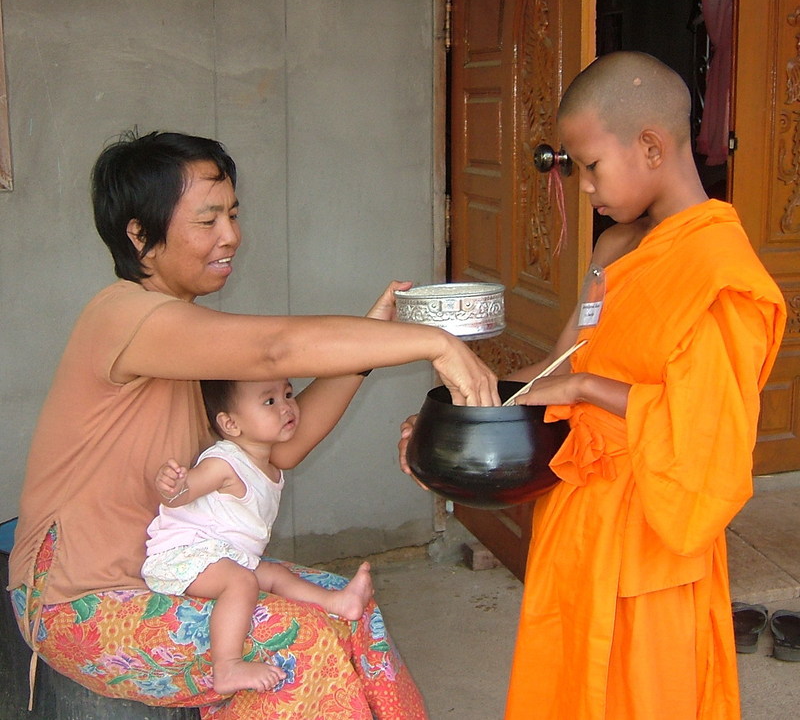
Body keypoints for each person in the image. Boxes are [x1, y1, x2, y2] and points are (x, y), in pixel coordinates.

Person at [8, 129, 500, 720]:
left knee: (350, 609)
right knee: (297, 642)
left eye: (233, 215)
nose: (231, 236)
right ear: (140, 234)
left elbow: (282, 444)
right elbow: (274, 350)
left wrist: (367, 346)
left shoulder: (189, 338)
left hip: (175, 574)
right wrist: (433, 343)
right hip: (81, 599)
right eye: (208, 219)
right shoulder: (124, 316)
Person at [400, 52, 786, 719]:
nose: (582, 187)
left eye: (590, 166)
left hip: (655, 539)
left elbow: (704, 438)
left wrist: (584, 391)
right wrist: (455, 415)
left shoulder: (721, 277)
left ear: (651, 146)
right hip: (577, 517)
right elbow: (563, 362)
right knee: (567, 691)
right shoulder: (614, 252)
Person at [142, 377, 375, 695]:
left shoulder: (269, 468)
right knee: (242, 582)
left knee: (275, 574)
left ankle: (340, 602)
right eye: (270, 402)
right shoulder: (225, 462)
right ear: (230, 423)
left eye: (288, 394)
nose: (287, 406)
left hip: (226, 555)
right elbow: (184, 492)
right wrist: (173, 486)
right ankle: (227, 667)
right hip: (185, 556)